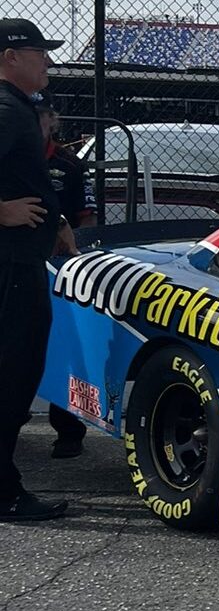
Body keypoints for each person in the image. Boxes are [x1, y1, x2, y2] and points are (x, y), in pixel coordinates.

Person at [0, 18, 74, 520]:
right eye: (38, 51)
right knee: (12, 373)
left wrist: (59, 219)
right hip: (11, 265)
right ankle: (3, 491)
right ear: (10, 56)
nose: (46, 60)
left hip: (23, 259)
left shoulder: (17, 107)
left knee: (19, 371)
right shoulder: (5, 108)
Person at [34, 93, 95, 460]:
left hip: (58, 268)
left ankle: (69, 429)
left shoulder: (69, 166)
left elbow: (86, 219)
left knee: (64, 345)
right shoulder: (10, 157)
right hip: (15, 261)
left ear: (52, 121)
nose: (35, 123)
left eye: (41, 117)